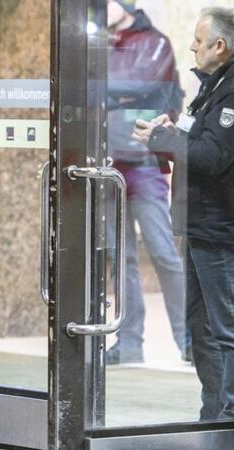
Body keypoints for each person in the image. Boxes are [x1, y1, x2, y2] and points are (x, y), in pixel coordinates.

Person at [132, 7, 234, 420]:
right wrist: (169, 132)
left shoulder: (232, 92)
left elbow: (211, 157)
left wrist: (163, 138)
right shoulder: (212, 86)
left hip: (219, 232)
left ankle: (228, 416)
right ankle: (213, 412)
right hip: (199, 226)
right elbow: (198, 138)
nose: (192, 45)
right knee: (203, 329)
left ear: (220, 46)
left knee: (224, 329)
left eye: (198, 39)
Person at [104, 0, 187, 364]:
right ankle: (129, 343)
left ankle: (189, 341)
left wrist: (103, 89)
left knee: (164, 254)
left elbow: (135, 84)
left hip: (145, 163)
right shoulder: (97, 43)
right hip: (107, 163)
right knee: (120, 258)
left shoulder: (154, 42)